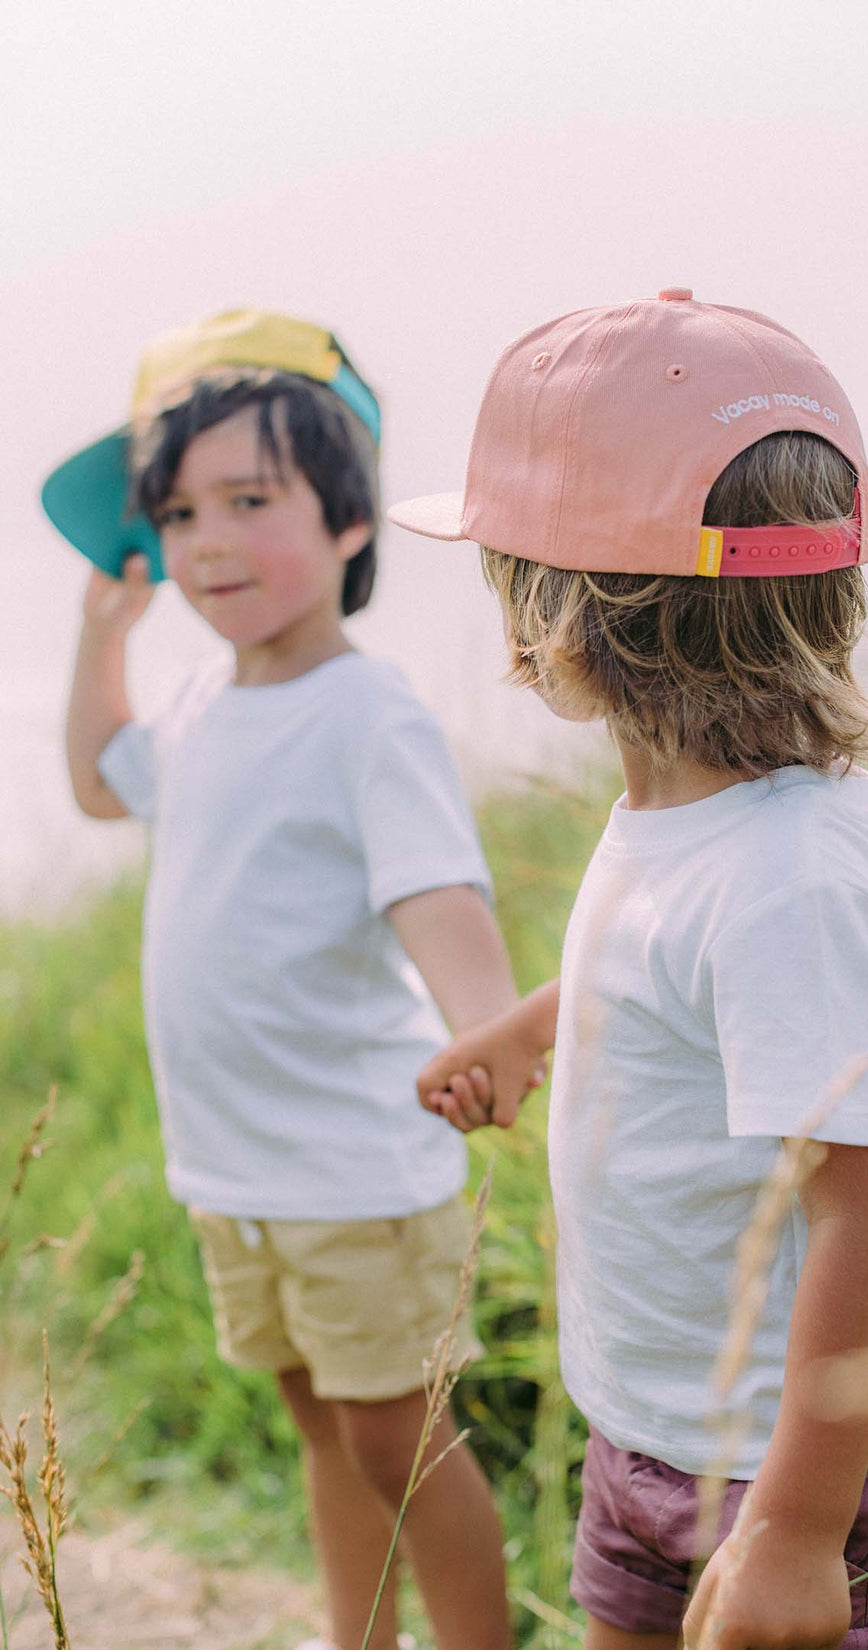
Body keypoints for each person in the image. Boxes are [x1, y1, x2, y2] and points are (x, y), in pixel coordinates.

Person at [392, 290, 868, 1650]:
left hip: (810, 1467)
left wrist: (790, 1528)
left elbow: (864, 1216)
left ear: (573, 609)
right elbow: (675, 979)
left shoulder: (790, 881)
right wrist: (543, 1028)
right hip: (653, 1427)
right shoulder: (683, 806)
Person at [52, 310, 515, 1650]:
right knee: (320, 1416)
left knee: (399, 1438)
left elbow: (439, 890)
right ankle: (355, 1633)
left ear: (348, 519)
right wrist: (105, 633)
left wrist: (487, 1036)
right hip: (239, 1167)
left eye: (251, 500)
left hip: (355, 1170)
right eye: (179, 511)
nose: (207, 540)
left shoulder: (368, 712)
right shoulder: (201, 707)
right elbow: (95, 782)